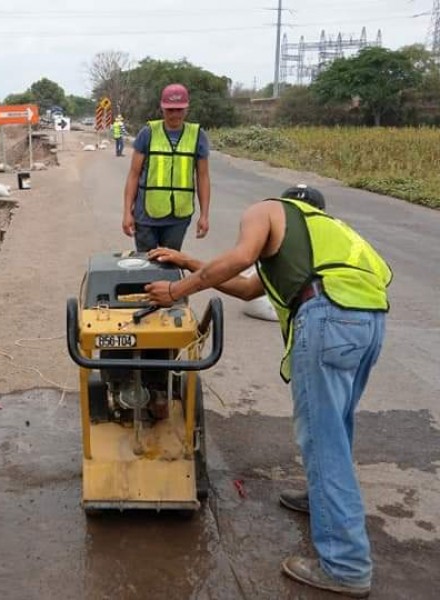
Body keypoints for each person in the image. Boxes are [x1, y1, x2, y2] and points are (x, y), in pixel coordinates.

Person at [145, 185, 391, 598]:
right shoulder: (325, 238)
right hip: (369, 323)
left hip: (328, 316)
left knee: (322, 439)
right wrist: (187, 261)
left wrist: (175, 291)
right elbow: (245, 286)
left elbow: (241, 257)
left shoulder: (269, 209)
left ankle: (347, 565)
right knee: (338, 426)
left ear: (288, 206)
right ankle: (322, 502)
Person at [122, 83, 211, 252]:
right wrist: (127, 212)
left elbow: (203, 177)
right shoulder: (148, 133)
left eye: (179, 110)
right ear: (162, 109)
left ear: (186, 109)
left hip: (178, 218)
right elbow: (133, 174)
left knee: (169, 267)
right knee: (146, 266)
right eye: (170, 110)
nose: (175, 114)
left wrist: (204, 216)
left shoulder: (198, 136)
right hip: (146, 216)